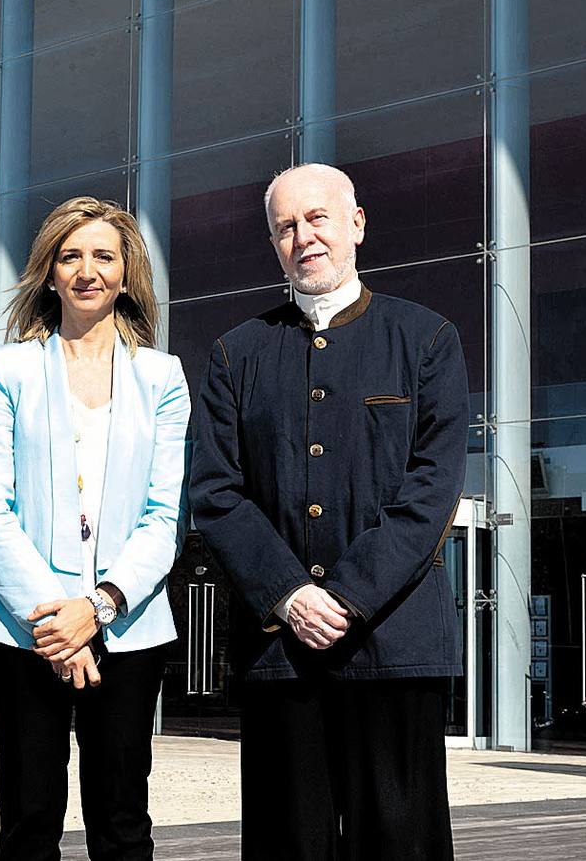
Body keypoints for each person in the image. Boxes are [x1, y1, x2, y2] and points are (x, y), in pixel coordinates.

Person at [189, 164, 469, 859]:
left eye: (317, 218)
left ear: (357, 224)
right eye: (286, 226)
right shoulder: (235, 355)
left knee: (401, 843)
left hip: (395, 648)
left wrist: (342, 597)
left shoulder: (427, 339)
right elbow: (217, 495)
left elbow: (429, 494)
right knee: (291, 844)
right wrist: (289, 595)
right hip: (281, 653)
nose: (303, 236)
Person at [0, 196, 190, 861]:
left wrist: (96, 609)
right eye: (70, 256)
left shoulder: (162, 378)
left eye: (103, 255)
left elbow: (165, 515)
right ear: (50, 272)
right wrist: (59, 628)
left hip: (128, 628)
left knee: (122, 820)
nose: (86, 270)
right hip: (20, 630)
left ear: (126, 273)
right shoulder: (3, 369)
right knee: (30, 819)